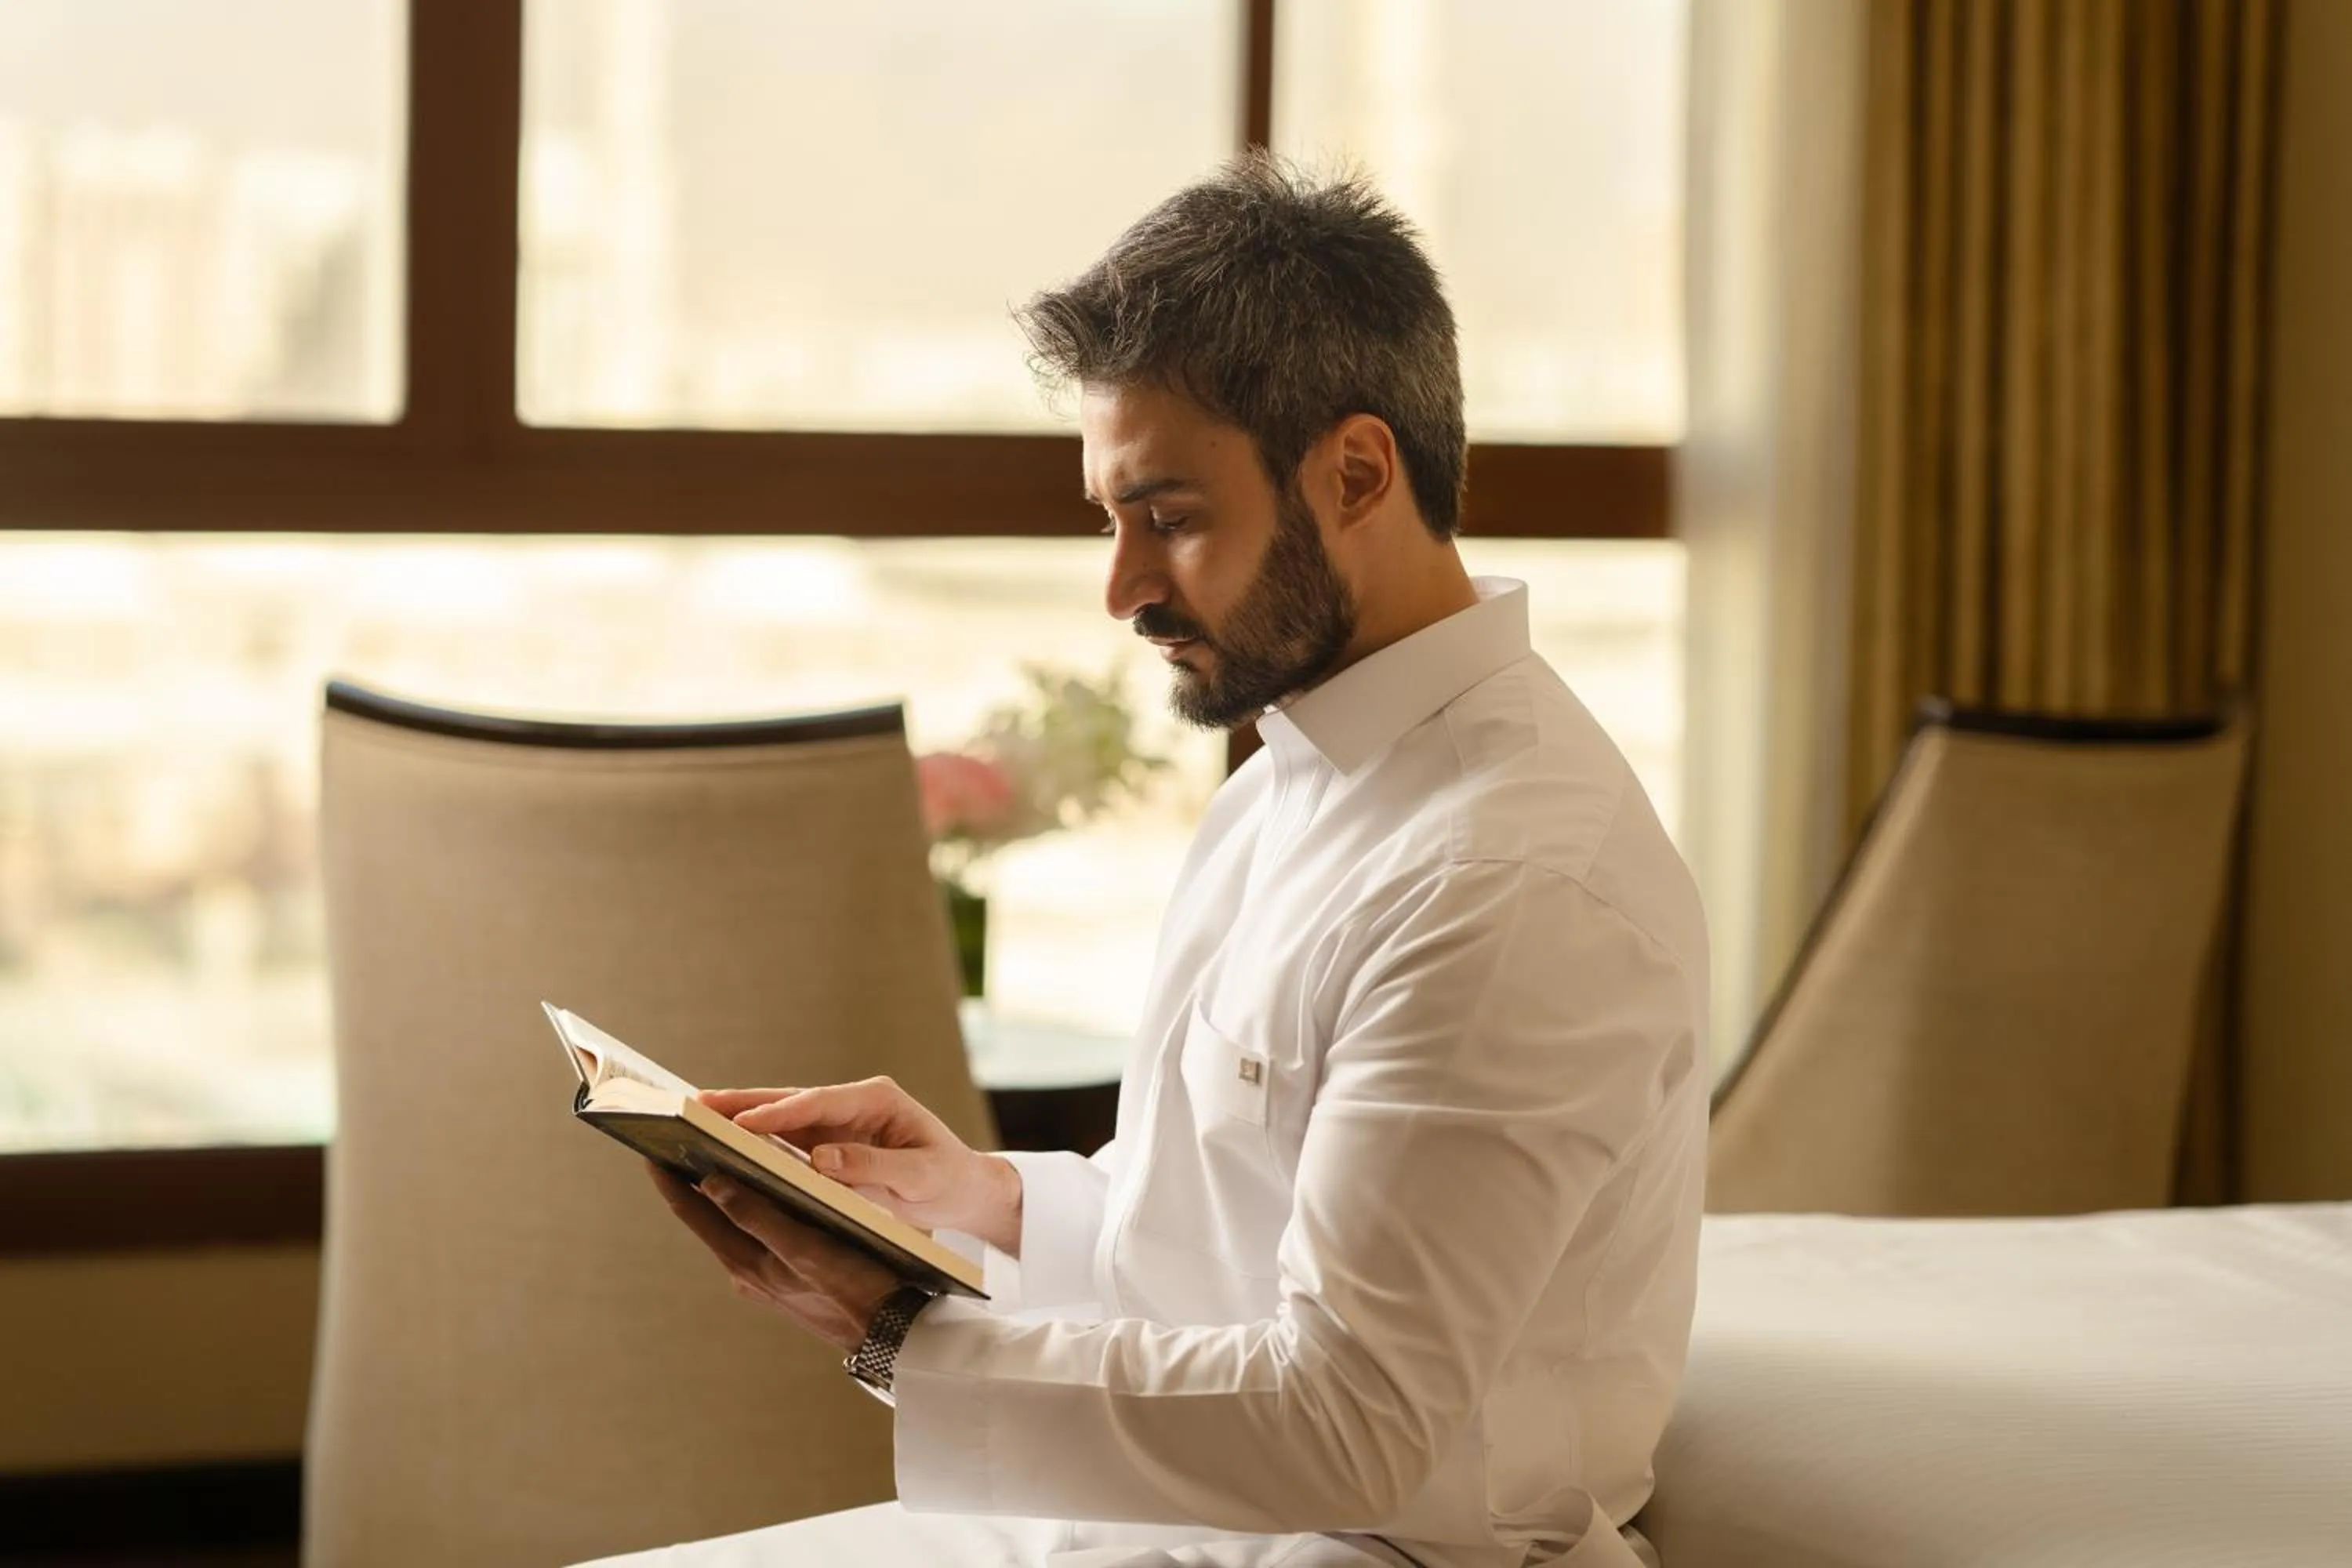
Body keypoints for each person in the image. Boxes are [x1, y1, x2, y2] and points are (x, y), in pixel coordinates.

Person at [586, 154, 1708, 1568]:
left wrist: (892, 1337)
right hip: (1175, 1526)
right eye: (1109, 519)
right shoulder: (1298, 777)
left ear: (1356, 472)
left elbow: (1350, 1427)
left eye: (1169, 517)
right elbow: (1236, 1233)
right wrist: (976, 1197)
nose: (1121, 589)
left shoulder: (1509, 884)